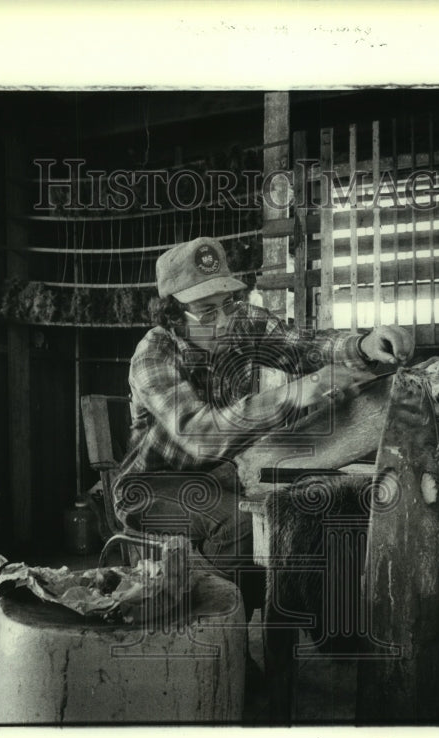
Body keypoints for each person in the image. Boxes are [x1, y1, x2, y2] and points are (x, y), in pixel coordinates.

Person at [111, 236, 414, 619]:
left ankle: (263, 612)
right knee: (240, 522)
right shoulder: (153, 356)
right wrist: (299, 391)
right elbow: (201, 435)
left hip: (220, 473)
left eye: (227, 305)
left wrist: (363, 345)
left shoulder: (239, 323)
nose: (223, 321)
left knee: (298, 504)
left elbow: (302, 345)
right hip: (149, 486)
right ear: (170, 313)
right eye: (205, 311)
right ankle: (218, 623)